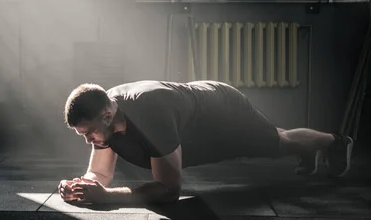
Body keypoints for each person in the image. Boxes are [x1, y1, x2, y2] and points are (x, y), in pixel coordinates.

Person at [58, 80, 353, 205]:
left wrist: (107, 198)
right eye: (83, 135)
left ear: (108, 116)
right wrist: (81, 187)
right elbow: (100, 174)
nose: (89, 141)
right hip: (192, 127)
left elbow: (169, 190)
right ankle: (309, 150)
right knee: (280, 142)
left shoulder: (150, 114)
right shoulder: (104, 117)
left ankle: (334, 142)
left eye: (89, 133)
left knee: (278, 142)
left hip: (224, 114)